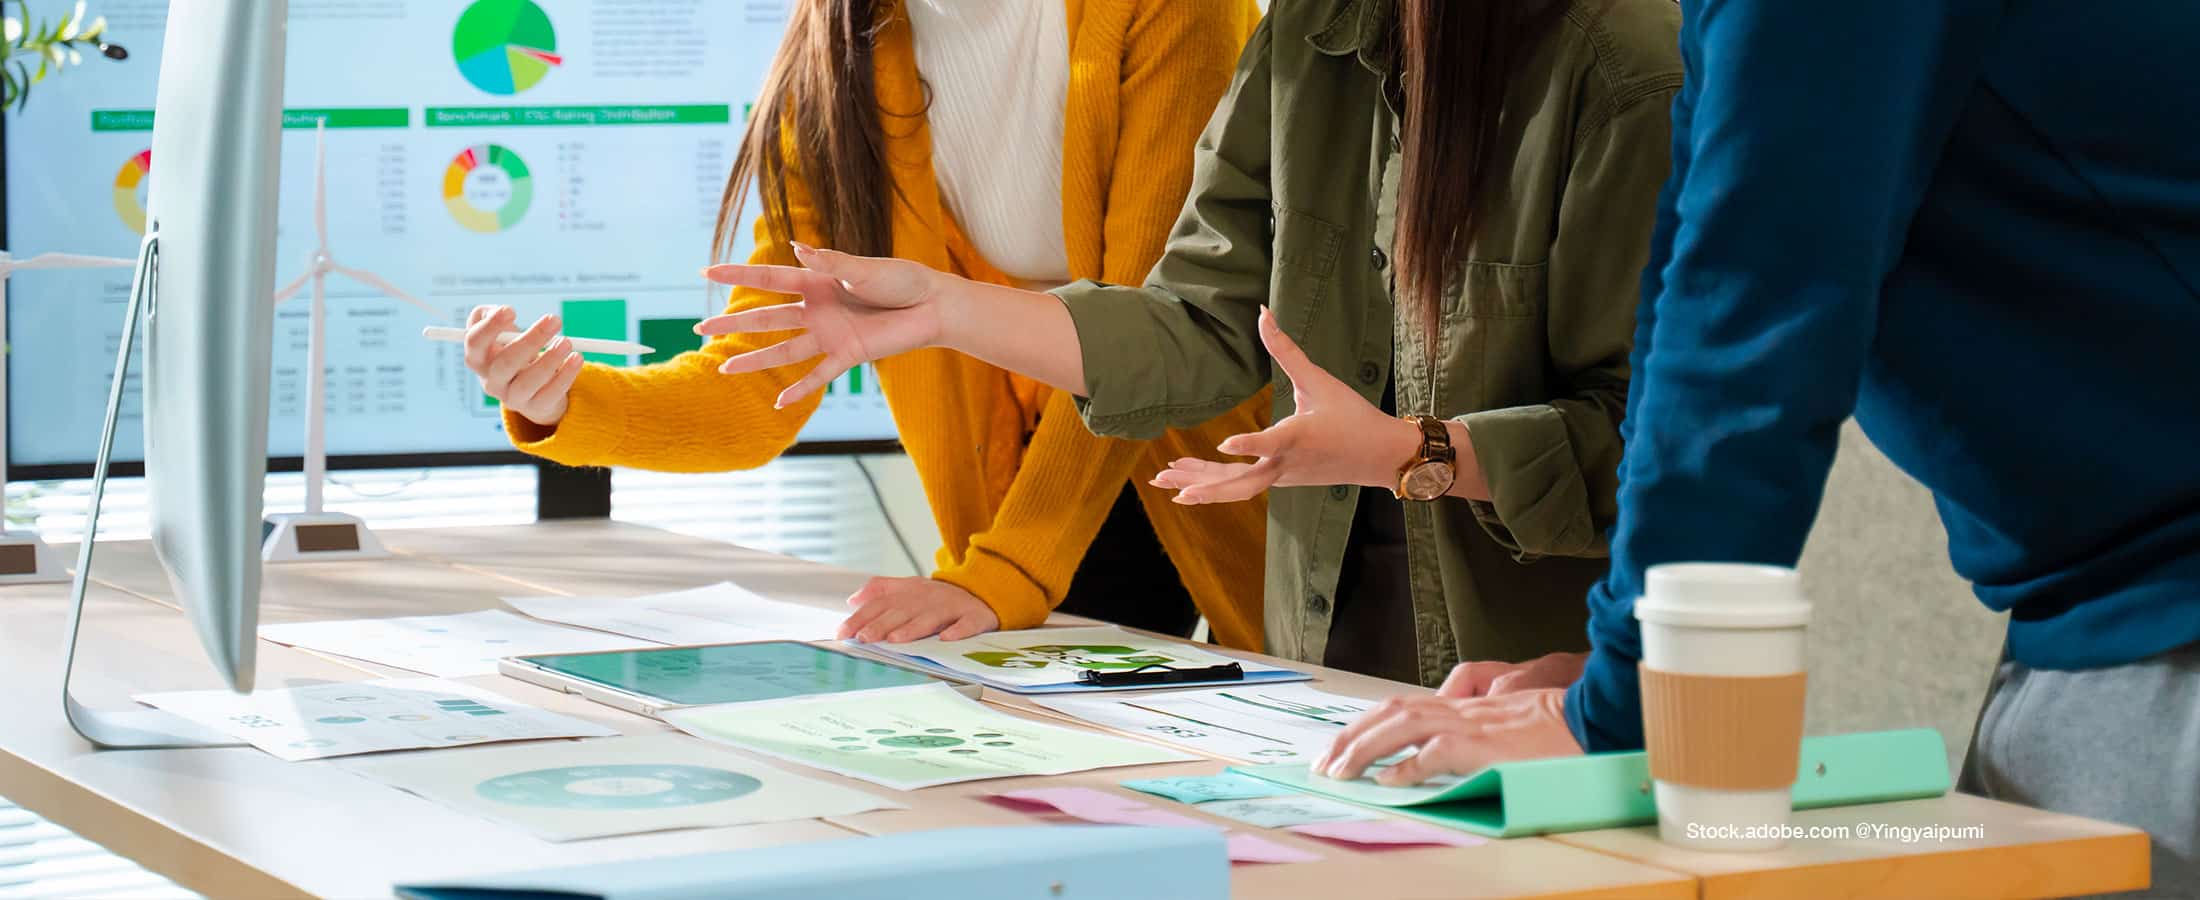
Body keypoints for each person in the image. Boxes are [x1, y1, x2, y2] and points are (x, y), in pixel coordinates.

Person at [1315, 2, 2200, 894]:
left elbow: (1745, 325)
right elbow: (1687, 294)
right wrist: (1635, 670)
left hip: (2164, 619)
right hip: (2102, 620)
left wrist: (1626, 705)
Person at [696, 0, 1683, 686]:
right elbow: (1203, 325)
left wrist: (1402, 451)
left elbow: (1655, 452)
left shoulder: (1630, 61)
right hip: (1317, 658)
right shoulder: (1307, 34)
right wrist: (947, 310)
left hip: (1536, 676)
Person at [463, 0, 1273, 649]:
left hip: (1242, 464)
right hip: (1033, 506)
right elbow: (758, 391)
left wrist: (1004, 573)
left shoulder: (1174, 9)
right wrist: (566, 400)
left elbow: (1148, 339)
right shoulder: (836, 51)